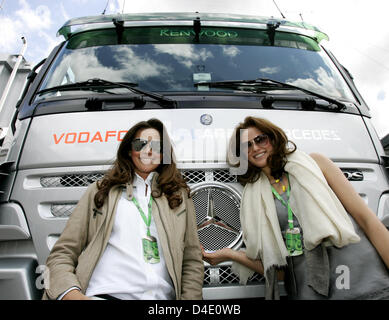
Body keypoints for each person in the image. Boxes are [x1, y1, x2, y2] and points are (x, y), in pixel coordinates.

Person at [202, 116, 389, 299]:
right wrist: (230, 254)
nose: (255, 148)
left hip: (363, 279)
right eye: (247, 146)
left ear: (273, 139)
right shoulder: (253, 197)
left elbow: (366, 219)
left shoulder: (316, 164)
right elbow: (279, 270)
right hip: (309, 290)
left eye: (260, 140)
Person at [43, 118, 204, 300]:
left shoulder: (179, 197)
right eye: (140, 144)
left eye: (157, 146)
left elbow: (192, 261)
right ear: (129, 150)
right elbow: (62, 253)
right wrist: (72, 295)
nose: (148, 150)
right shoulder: (99, 192)